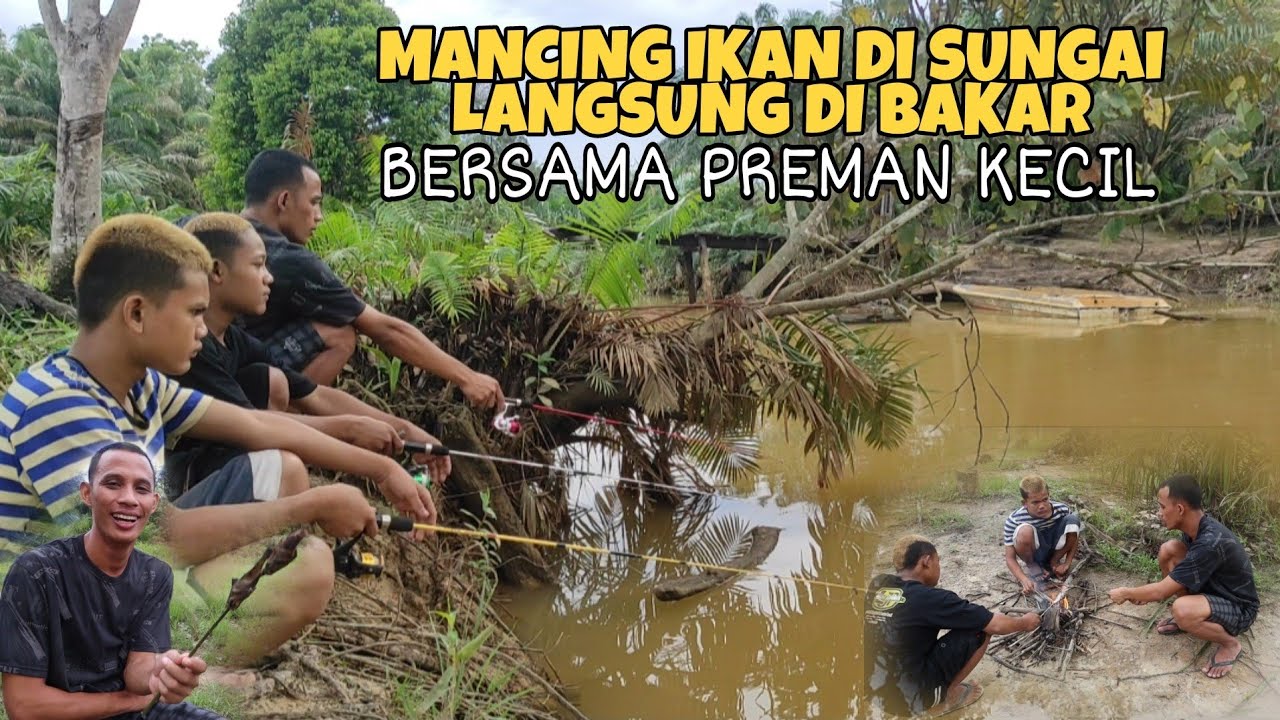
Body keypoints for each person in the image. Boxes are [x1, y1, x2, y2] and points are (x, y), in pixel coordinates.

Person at [0, 214, 436, 665]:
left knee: (282, 475)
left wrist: (381, 468)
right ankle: (160, 680)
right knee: (307, 568)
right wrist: (314, 506)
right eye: (192, 312)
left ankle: (174, 661)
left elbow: (259, 426)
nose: (203, 330)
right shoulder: (61, 408)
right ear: (136, 313)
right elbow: (161, 540)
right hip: (50, 627)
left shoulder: (141, 384)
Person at [164, 212, 450, 501]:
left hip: (211, 462)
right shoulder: (192, 348)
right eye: (258, 265)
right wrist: (362, 445)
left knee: (269, 380)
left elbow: (314, 396)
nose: (269, 277)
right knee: (283, 464)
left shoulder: (233, 339)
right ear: (217, 271)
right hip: (172, 488)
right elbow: (256, 426)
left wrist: (406, 430)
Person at [235, 148, 505, 408]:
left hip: (209, 371)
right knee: (340, 332)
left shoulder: (210, 230)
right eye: (314, 203)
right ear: (284, 201)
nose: (319, 216)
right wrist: (467, 378)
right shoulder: (290, 259)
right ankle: (287, 418)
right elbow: (385, 330)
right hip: (239, 385)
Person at [0, 442, 223, 720]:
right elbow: (24, 707)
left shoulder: (155, 574)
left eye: (141, 489)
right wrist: (130, 701)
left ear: (153, 503)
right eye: (113, 484)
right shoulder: (36, 572)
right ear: (87, 494)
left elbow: (137, 669)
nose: (129, 498)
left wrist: (159, 671)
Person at [864, 534, 1039, 718]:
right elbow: (995, 625)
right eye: (938, 562)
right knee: (979, 629)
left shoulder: (879, 583)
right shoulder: (932, 598)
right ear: (926, 561)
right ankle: (944, 697)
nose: (939, 567)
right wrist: (1026, 622)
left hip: (874, 690)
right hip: (911, 700)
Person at [1108, 474, 1259, 679]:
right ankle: (1189, 618)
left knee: (1182, 609)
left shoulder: (1209, 542)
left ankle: (1230, 644)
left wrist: (1127, 593)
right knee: (1169, 550)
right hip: (1216, 589)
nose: (1159, 513)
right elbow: (1177, 576)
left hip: (1239, 608)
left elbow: (1161, 591)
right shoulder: (1194, 528)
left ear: (1179, 509)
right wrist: (1144, 594)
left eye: (1162, 507)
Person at [1001, 474, 1080, 594]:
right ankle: (1033, 565)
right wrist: (1023, 579)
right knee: (1024, 531)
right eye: (1035, 502)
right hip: (1034, 553)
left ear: (1049, 495)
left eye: (1045, 499)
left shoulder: (1062, 510)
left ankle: (1054, 561)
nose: (1042, 506)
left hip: (1055, 550)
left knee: (1073, 520)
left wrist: (1067, 562)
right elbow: (1009, 557)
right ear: (1024, 503)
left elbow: (1074, 538)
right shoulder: (1015, 519)